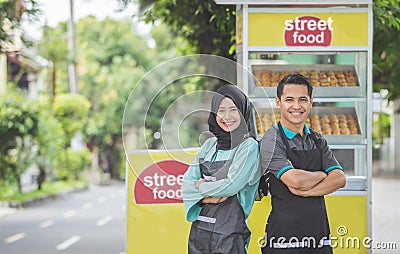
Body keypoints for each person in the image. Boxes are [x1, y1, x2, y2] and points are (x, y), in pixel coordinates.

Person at [259, 74, 346, 254]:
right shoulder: (271, 140)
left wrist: (305, 191)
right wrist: (322, 175)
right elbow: (295, 180)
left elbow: (339, 178)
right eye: (289, 99)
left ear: (311, 102)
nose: (296, 106)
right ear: (278, 102)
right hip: (284, 239)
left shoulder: (317, 139)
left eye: (303, 100)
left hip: (319, 236)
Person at [182, 84, 261, 254]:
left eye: (233, 110)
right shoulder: (209, 145)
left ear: (243, 111)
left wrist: (201, 187)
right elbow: (187, 183)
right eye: (221, 110)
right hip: (199, 234)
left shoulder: (248, 147)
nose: (227, 116)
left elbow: (231, 186)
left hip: (230, 236)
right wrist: (207, 198)